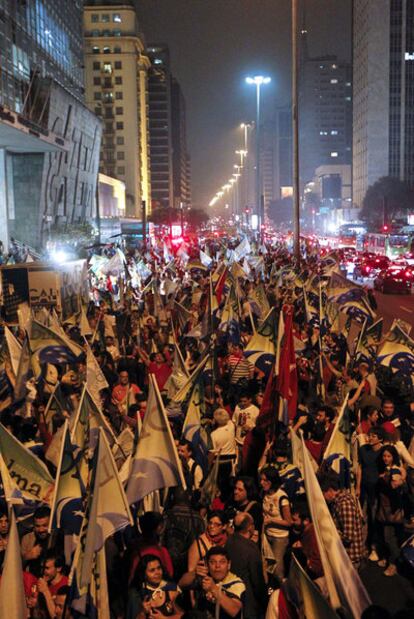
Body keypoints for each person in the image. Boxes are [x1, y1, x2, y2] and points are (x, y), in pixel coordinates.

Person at [180, 546, 245, 619]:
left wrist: (214, 589)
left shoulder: (236, 583)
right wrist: (194, 573)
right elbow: (181, 584)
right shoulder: (205, 578)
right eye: (213, 562)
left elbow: (234, 610)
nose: (217, 566)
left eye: (222, 562)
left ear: (229, 565)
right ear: (207, 565)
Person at [225, 513, 267, 618]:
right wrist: (265, 600)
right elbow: (257, 580)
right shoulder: (251, 550)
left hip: (230, 594)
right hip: (247, 601)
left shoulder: (229, 541)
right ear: (249, 527)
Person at [319, 475, 365, 569]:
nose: (323, 497)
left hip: (350, 556)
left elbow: (348, 537)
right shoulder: (337, 502)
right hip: (345, 555)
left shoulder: (344, 505)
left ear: (331, 490)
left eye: (323, 493)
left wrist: (329, 530)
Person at [375, 445, 407, 576]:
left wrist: (398, 480)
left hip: (392, 510)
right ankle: (389, 559)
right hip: (384, 508)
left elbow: (395, 484)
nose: (386, 458)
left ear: (393, 457)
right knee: (385, 536)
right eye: (384, 456)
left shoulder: (394, 470)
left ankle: (394, 564)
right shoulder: (386, 469)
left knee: (389, 538)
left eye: (388, 456)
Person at [260, 466, 292, 583]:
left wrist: (272, 521)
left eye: (265, 480)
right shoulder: (264, 494)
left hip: (279, 537)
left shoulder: (281, 497)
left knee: (277, 569)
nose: (262, 483)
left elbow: (289, 522)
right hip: (267, 535)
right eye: (261, 480)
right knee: (267, 566)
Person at [127, 554, 182, 619]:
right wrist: (142, 612)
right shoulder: (136, 593)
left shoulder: (171, 588)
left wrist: (164, 618)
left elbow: (183, 616)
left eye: (159, 568)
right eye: (152, 570)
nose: (157, 572)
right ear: (144, 574)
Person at [21, 506, 55, 578]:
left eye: (45, 525)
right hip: (31, 582)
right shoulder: (27, 539)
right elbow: (15, 566)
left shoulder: (56, 538)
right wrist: (27, 556)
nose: (41, 530)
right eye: (37, 526)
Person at [37, 551, 68, 618]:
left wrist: (45, 591)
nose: (43, 571)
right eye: (42, 568)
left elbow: (57, 616)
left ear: (59, 568)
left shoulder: (66, 585)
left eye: (47, 568)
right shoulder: (44, 583)